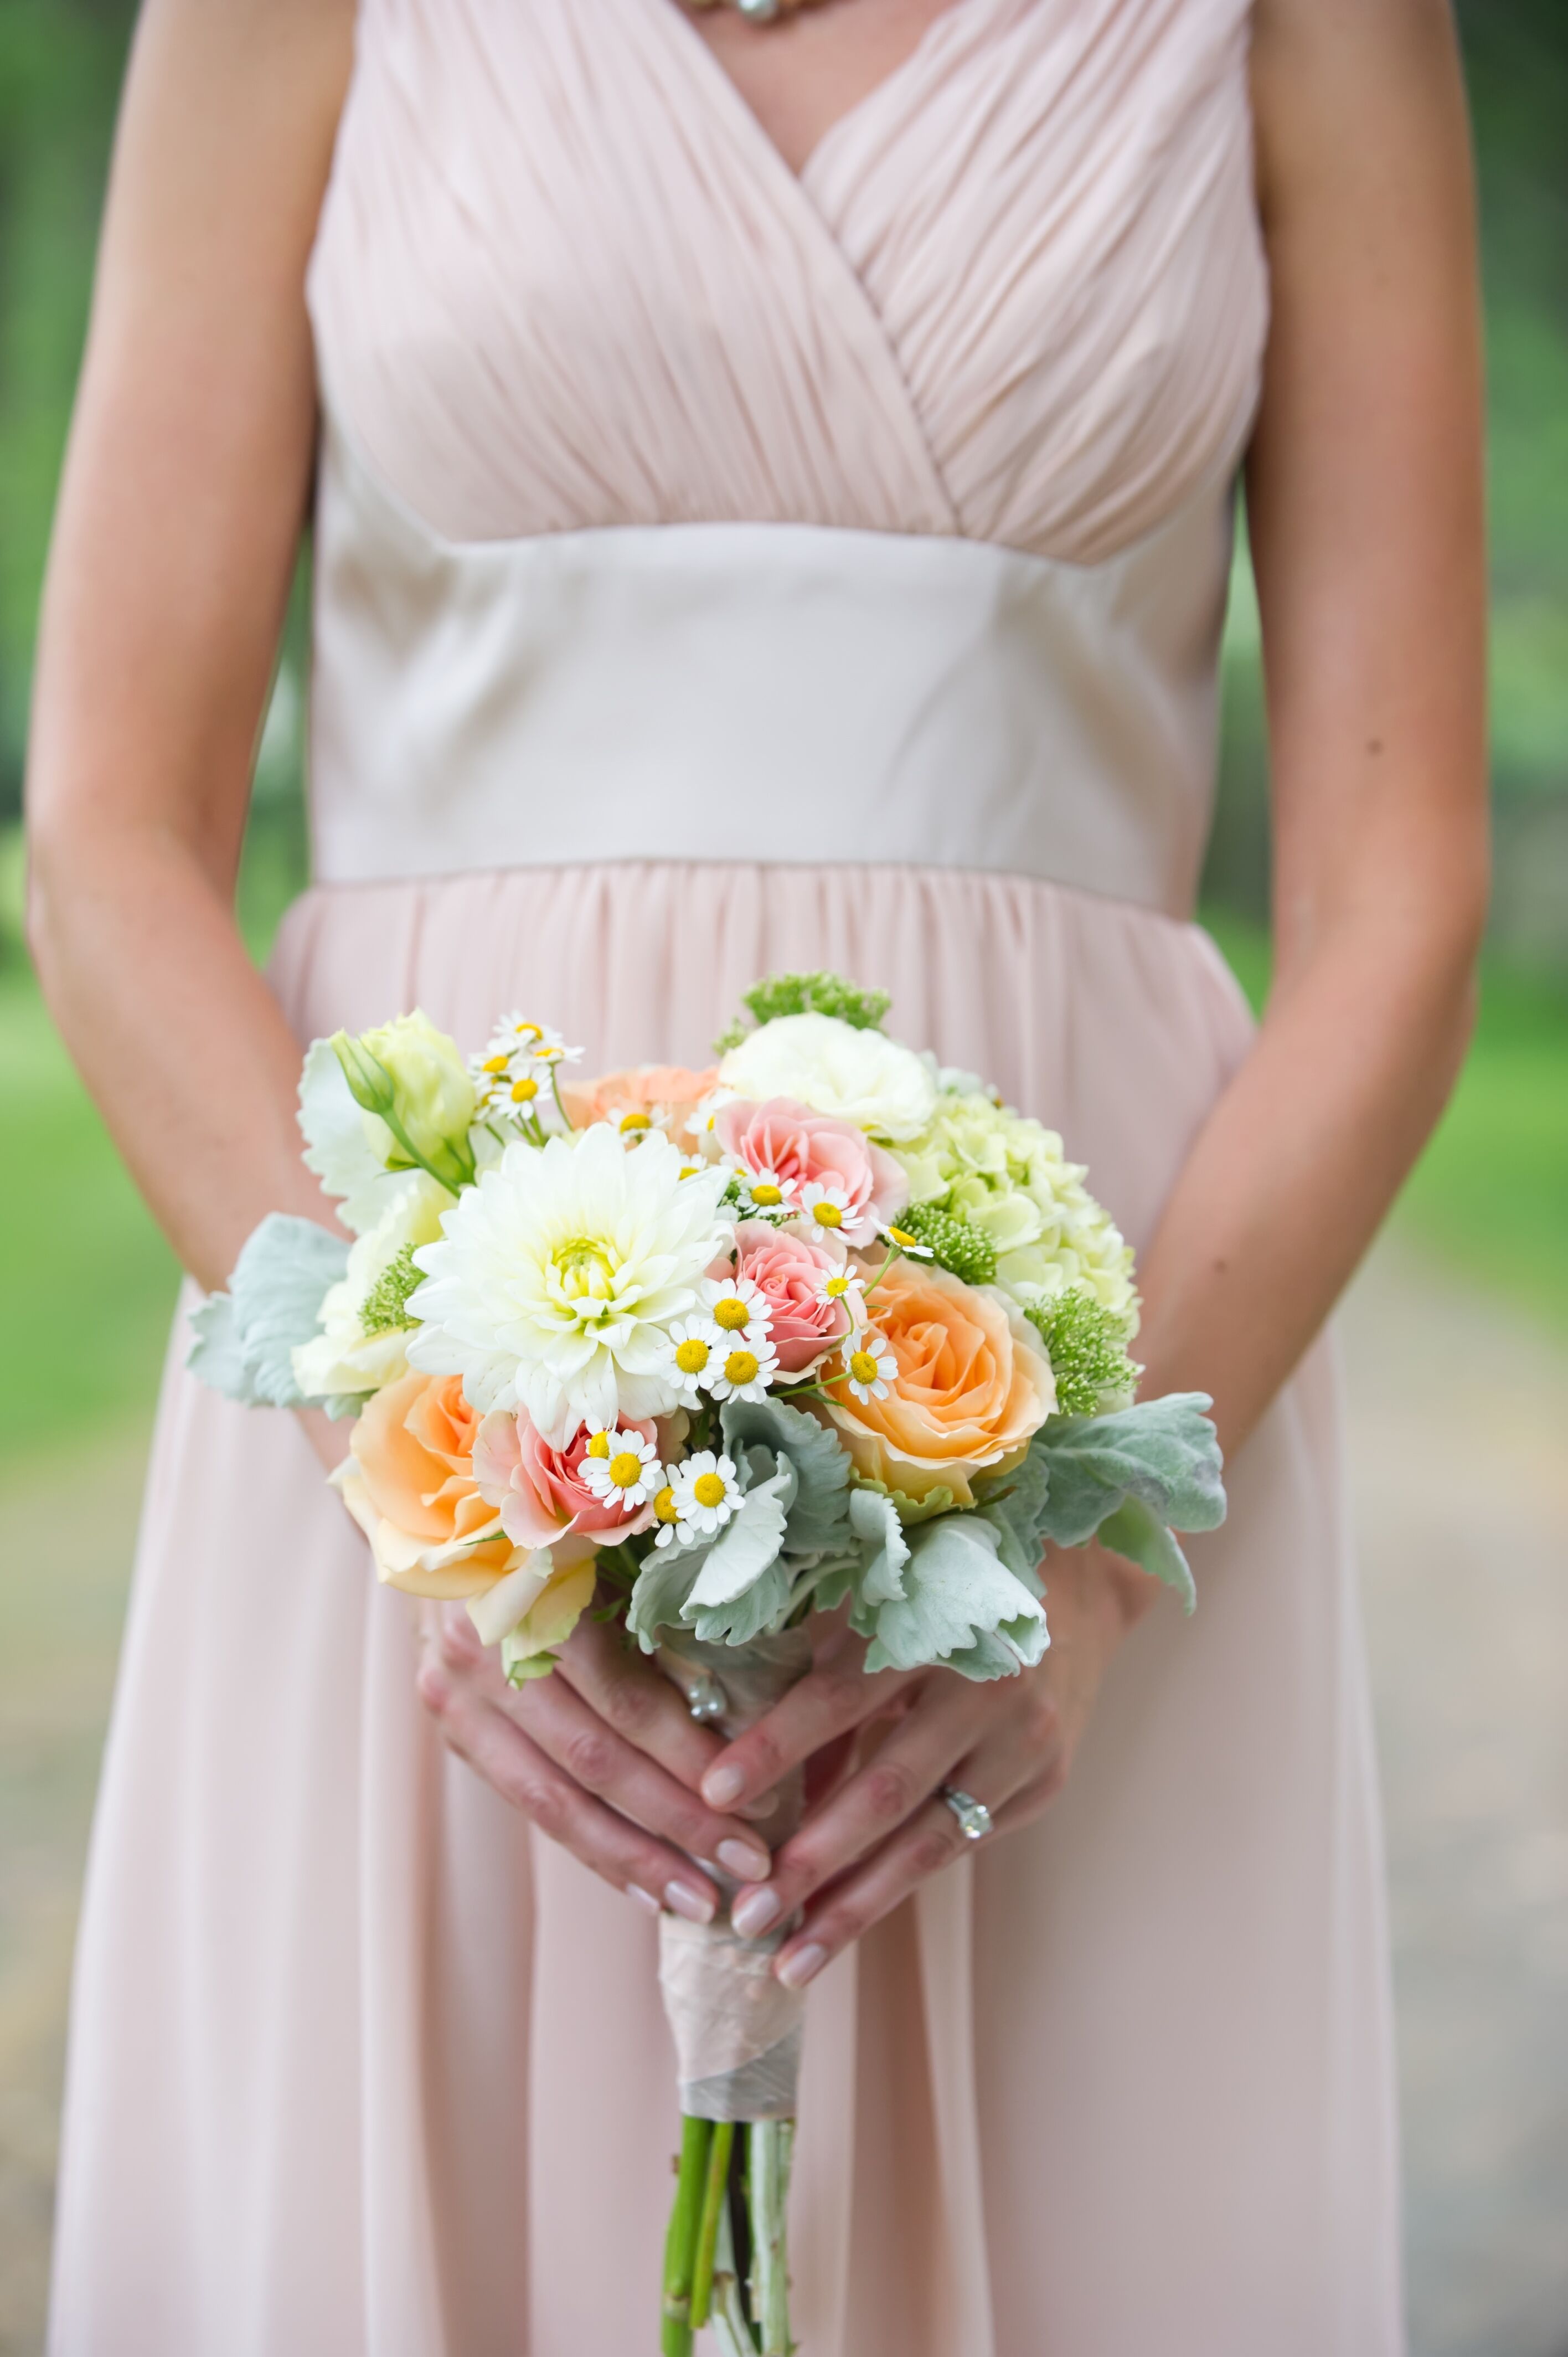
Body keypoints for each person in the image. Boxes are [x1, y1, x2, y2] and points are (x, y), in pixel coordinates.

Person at [27, 0, 1486, 2348]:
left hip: (1077, 1403)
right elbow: (107, 835)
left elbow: (1402, 890)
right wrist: (417, 1440)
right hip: (423, 1415)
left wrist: (1089, 1560)